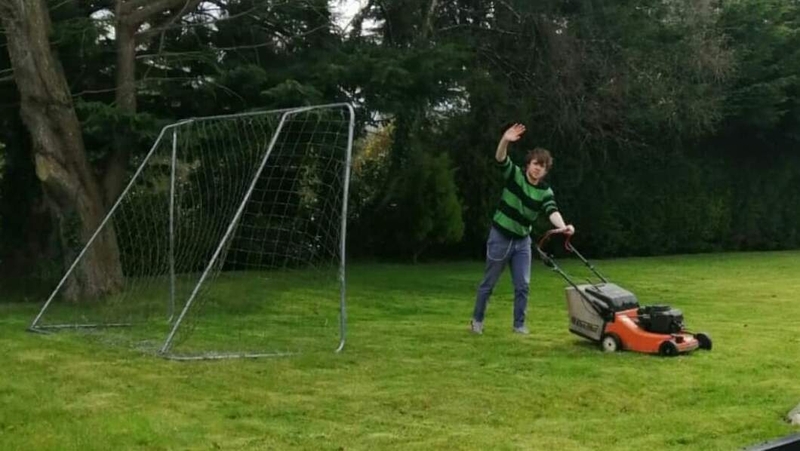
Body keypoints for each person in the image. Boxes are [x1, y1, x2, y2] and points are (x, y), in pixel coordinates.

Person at [470, 123, 575, 335]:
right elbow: (500, 158)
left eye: (542, 166)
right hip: (500, 236)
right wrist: (505, 140)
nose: (538, 168)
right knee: (489, 283)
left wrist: (563, 227)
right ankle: (477, 321)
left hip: (522, 242)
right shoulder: (515, 175)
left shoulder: (545, 191)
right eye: (535, 164)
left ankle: (519, 325)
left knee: (522, 285)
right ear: (528, 164)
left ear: (545, 171)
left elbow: (552, 210)